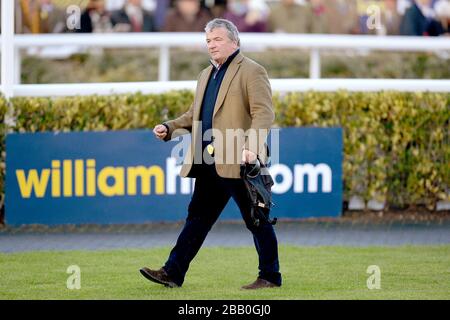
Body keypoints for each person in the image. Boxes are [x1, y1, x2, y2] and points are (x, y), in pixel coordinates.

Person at [140, 18, 282, 290]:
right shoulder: (206, 74)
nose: (212, 45)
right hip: (208, 161)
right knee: (197, 219)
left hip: (240, 161)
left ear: (234, 41)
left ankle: (270, 276)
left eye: (217, 39)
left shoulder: (252, 70)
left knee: (256, 219)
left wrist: (251, 146)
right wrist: (169, 127)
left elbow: (264, 113)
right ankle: (172, 273)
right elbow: (194, 115)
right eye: (208, 41)